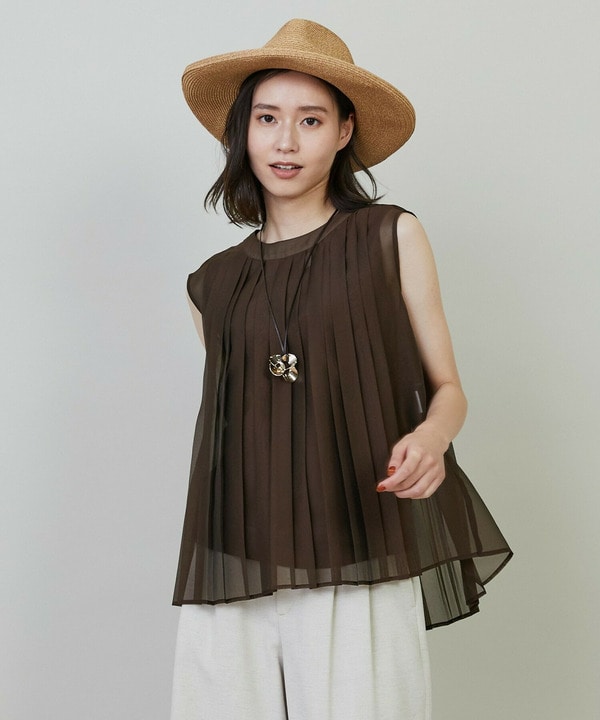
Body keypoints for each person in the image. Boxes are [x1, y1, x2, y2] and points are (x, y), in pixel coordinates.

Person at [170, 19, 512, 720]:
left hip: (358, 541)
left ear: (344, 130)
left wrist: (431, 439)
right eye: (267, 118)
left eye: (310, 120)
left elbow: (447, 389)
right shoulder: (210, 284)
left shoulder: (390, 236)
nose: (286, 142)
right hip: (234, 552)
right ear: (242, 132)